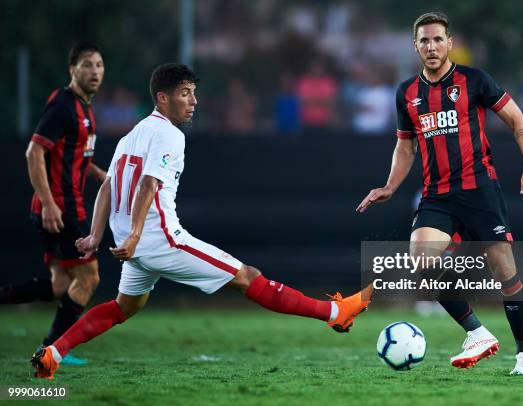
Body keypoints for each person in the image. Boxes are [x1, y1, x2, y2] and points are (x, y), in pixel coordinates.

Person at [31, 63, 372, 379]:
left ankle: (53, 354)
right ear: (162, 98)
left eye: (194, 92)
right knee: (247, 277)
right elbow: (148, 183)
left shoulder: (132, 134)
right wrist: (136, 234)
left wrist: (95, 235)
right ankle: (334, 314)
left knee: (122, 308)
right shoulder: (169, 135)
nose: (193, 101)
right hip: (160, 238)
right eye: (184, 93)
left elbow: (107, 186)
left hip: (135, 245)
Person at [356, 12, 523, 375]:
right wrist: (390, 186)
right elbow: (405, 147)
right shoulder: (407, 93)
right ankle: (477, 333)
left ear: (449, 43)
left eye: (437, 39)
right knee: (421, 263)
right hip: (437, 196)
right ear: (415, 46)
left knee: (505, 271)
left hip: (480, 190)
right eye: (424, 41)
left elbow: (518, 123)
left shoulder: (474, 81)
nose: (431, 46)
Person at [1, 42, 106, 365]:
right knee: (89, 279)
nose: (95, 72)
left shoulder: (85, 109)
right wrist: (48, 204)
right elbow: (34, 152)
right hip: (60, 209)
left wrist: (107, 178)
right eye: (87, 65)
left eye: (100, 65)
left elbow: (78, 159)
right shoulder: (63, 105)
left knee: (61, 284)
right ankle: (52, 351)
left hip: (60, 206)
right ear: (71, 69)